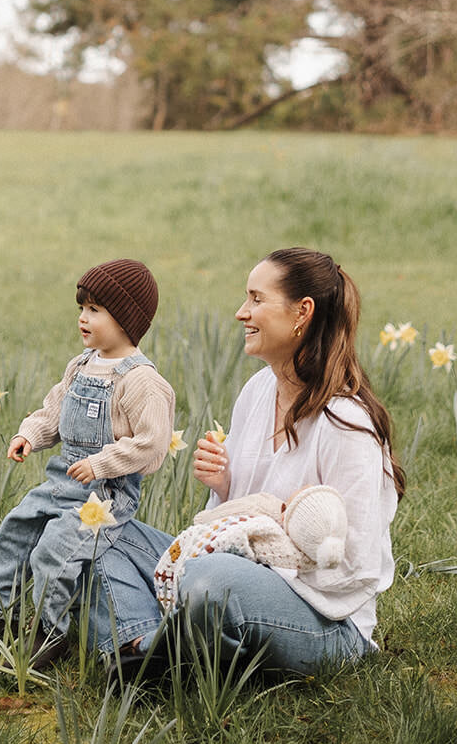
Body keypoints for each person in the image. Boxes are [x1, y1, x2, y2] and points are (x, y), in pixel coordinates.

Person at [90, 246, 405, 678]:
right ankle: (147, 646)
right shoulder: (258, 391)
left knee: (210, 580)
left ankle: (161, 647)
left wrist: (263, 548)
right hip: (237, 577)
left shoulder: (349, 426)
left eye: (257, 299)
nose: (242, 312)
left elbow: (353, 565)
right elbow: (240, 520)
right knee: (99, 532)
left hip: (328, 624)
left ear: (302, 313)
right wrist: (225, 485)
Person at [0, 258, 175, 671]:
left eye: (94, 310)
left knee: (56, 550)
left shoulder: (141, 382)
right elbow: (54, 412)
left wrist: (104, 463)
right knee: (18, 527)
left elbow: (152, 445)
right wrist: (29, 435)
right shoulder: (81, 365)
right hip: (62, 481)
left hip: (105, 496)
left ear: (125, 319)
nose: (82, 319)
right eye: (81, 309)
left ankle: (49, 634)